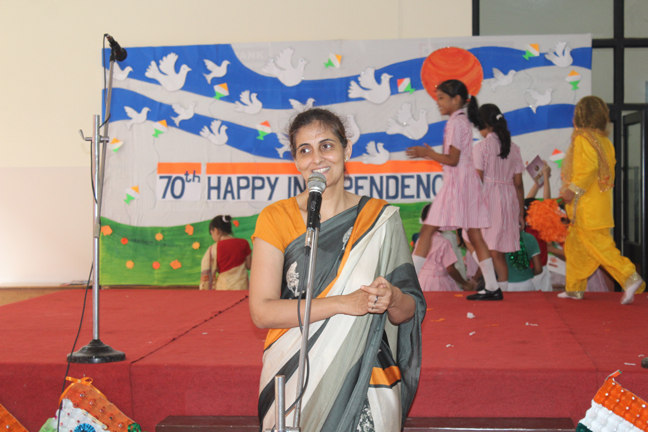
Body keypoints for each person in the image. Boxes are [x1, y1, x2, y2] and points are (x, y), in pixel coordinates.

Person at [249, 108, 426, 431]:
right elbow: (262, 312)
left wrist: (392, 297)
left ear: (347, 150)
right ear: (295, 160)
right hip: (292, 368)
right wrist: (343, 303)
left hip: (366, 376)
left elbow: (408, 310)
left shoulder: (380, 219)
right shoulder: (275, 217)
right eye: (305, 150)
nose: (317, 159)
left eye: (327, 146)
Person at [405, 79, 501, 301]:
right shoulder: (460, 121)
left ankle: (410, 284)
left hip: (458, 183)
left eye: (441, 98)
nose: (438, 102)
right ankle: (492, 287)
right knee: (474, 234)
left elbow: (453, 159)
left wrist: (427, 153)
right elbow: (456, 159)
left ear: (456, 99)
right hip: (465, 182)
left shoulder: (456, 122)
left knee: (428, 230)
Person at [559, 96, 645, 303]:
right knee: (575, 247)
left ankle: (630, 277)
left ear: (580, 116)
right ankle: (574, 289)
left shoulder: (583, 138)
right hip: (599, 206)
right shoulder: (604, 141)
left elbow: (588, 168)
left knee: (600, 246)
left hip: (587, 207)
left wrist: (571, 190)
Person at [472, 103, 525, 293]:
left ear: (484, 123)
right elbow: (518, 183)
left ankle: (494, 288)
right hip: (509, 199)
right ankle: (501, 289)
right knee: (498, 252)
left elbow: (477, 180)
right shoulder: (514, 148)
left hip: (490, 198)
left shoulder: (481, 147)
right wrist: (520, 213)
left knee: (473, 239)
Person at [415, 204, 474, 291]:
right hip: (438, 282)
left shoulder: (421, 240)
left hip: (421, 281)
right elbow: (450, 269)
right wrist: (465, 283)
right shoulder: (444, 242)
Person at [199, 215, 251, 290]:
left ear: (216, 231)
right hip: (241, 288)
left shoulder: (214, 248)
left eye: (211, 233)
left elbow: (212, 269)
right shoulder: (244, 243)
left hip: (223, 288)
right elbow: (249, 265)